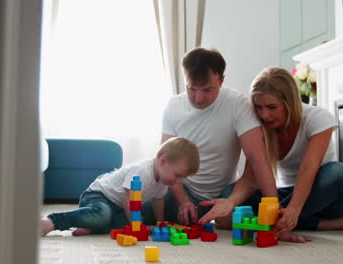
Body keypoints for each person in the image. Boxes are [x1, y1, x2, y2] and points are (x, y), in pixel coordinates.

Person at [142, 47, 279, 230]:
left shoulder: (238, 105)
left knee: (253, 209)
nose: (198, 98)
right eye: (191, 89)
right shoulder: (173, 106)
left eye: (207, 90)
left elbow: (257, 160)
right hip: (183, 190)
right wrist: (183, 201)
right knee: (138, 209)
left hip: (226, 191)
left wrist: (274, 210)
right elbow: (163, 164)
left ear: (221, 81)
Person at [250, 67, 343, 238]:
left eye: (271, 107)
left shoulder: (318, 118)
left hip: (323, 193)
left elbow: (309, 167)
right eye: (259, 107)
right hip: (286, 193)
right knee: (238, 196)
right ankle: (323, 225)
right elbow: (253, 173)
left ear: (290, 102)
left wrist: (293, 209)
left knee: (337, 172)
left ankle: (276, 220)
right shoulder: (257, 125)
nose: (264, 115)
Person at [40, 137, 200, 236]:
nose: (178, 181)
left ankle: (93, 227)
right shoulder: (141, 171)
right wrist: (137, 227)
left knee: (131, 222)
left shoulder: (165, 181)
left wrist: (160, 224)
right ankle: (52, 221)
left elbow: (159, 202)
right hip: (99, 196)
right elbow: (129, 200)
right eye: (177, 175)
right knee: (104, 215)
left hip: (118, 207)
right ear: (163, 161)